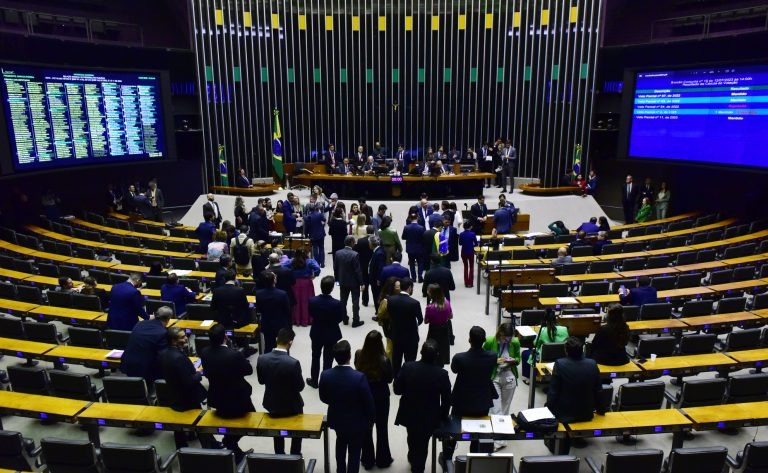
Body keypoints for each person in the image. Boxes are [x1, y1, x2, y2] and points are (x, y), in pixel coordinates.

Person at [441, 326, 498, 466]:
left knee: (453, 430)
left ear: (469, 340)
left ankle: (447, 457)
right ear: (484, 340)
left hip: (461, 402)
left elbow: (454, 370)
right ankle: (474, 460)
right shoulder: (492, 357)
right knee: (478, 433)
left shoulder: (460, 358)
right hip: (482, 402)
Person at [393, 339, 450, 473]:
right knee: (423, 444)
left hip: (409, 413)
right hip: (429, 416)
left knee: (411, 436)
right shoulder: (441, 374)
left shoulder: (407, 367)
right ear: (437, 356)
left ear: (420, 353)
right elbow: (447, 399)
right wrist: (442, 416)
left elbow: (397, 390)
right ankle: (418, 467)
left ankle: (413, 457)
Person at [158, 327, 219, 449]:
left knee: (179, 426)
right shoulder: (178, 358)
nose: (186, 338)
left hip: (174, 395)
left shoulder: (164, 353)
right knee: (201, 421)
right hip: (188, 397)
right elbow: (189, 381)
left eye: (185, 335)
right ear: (173, 341)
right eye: (182, 337)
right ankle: (211, 446)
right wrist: (198, 374)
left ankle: (181, 445)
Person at [319, 340, 376, 473]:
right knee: (354, 453)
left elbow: (323, 397)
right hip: (356, 421)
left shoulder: (326, 375)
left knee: (340, 445)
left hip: (337, 419)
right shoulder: (359, 377)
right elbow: (368, 402)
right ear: (350, 356)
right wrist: (370, 420)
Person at [201, 324, 254, 462]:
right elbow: (249, 370)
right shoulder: (234, 354)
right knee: (250, 421)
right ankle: (230, 442)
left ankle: (233, 447)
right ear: (225, 337)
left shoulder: (205, 352)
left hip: (217, 396)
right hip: (238, 398)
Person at [546, 336, 605, 453]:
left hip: (564, 414)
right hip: (586, 413)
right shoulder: (592, 364)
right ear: (582, 350)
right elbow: (598, 390)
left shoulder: (559, 364)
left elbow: (553, 391)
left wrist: (548, 410)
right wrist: (601, 410)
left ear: (566, 351)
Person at [256, 328, 305, 456]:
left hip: (272, 403)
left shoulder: (262, 359)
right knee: (298, 430)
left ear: (276, 339)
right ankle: (295, 454)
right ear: (290, 343)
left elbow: (261, 381)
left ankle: (279, 453)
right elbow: (300, 387)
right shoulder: (293, 363)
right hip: (292, 406)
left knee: (277, 431)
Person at [355, 331, 394, 469]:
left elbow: (357, 371)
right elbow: (389, 379)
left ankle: (367, 460)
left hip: (365, 395)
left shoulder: (359, 355)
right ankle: (383, 459)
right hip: (382, 396)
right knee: (382, 428)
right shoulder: (384, 360)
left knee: (366, 428)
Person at [483, 323, 521, 451]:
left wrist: (513, 360)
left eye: (510, 338)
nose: (508, 340)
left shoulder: (515, 342)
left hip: (509, 376)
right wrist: (495, 360)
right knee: (495, 409)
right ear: (500, 334)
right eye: (505, 338)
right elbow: (483, 357)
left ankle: (500, 438)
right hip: (495, 376)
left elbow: (518, 359)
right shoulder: (489, 341)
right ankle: (498, 441)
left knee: (505, 409)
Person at [307, 276, 345, 389]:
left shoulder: (312, 300)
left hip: (317, 332)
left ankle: (314, 381)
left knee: (315, 357)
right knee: (328, 360)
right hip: (331, 333)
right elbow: (339, 319)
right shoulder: (337, 304)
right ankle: (325, 382)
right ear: (332, 288)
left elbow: (311, 314)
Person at [120, 306, 172, 382]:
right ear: (168, 319)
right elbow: (163, 356)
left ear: (155, 314)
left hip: (127, 363)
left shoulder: (140, 324)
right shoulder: (162, 333)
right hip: (144, 370)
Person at [387, 278, 423, 377]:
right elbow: (420, 320)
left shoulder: (390, 300)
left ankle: (396, 380)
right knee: (410, 361)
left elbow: (390, 314)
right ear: (410, 288)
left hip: (396, 335)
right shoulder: (414, 303)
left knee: (396, 360)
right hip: (411, 337)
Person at [523, 309, 569, 382]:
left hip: (545, 358)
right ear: (555, 318)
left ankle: (530, 378)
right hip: (561, 357)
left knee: (525, 353)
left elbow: (535, 344)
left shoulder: (543, 330)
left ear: (545, 320)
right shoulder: (564, 329)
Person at [283, 248, 321, 327]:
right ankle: (307, 319)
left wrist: (289, 275)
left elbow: (283, 266)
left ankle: (295, 319)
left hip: (294, 284)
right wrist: (314, 275)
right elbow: (317, 268)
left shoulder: (291, 261)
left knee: (295, 301)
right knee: (306, 301)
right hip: (306, 283)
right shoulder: (309, 261)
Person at [255, 271, 292, 350]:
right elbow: (287, 310)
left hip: (266, 322)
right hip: (281, 323)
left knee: (268, 345)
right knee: (283, 346)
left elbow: (259, 308)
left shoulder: (258, 294)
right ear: (274, 280)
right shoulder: (282, 294)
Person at [424, 284, 452, 366]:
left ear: (433, 294)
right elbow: (451, 316)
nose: (427, 292)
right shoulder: (447, 303)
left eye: (428, 291)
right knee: (443, 347)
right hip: (444, 329)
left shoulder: (430, 307)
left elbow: (426, 321)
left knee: (432, 347)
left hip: (433, 330)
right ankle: (441, 363)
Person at [375, 277, 399, 357]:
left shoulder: (394, 296)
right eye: (397, 286)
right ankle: (389, 364)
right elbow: (380, 313)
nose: (399, 287)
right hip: (389, 325)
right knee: (390, 347)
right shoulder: (386, 300)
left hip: (392, 324)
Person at [401, 213, 426, 283]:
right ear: (417, 218)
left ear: (410, 219)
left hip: (410, 248)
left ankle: (414, 278)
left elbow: (403, 237)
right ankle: (420, 276)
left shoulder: (406, 227)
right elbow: (423, 238)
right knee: (420, 262)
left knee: (411, 263)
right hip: (419, 248)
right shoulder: (421, 228)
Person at [354, 226, 374, 307]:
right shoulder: (378, 240)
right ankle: (376, 300)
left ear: (366, 231)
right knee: (375, 284)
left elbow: (356, 252)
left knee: (364, 283)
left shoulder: (361, 241)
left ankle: (365, 301)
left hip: (363, 264)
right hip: (373, 265)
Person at [305, 203, 327, 268]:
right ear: (315, 208)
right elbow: (324, 220)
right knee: (321, 248)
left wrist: (306, 234)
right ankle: (322, 263)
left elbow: (307, 227)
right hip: (321, 234)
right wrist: (322, 225)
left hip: (313, 235)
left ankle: (317, 263)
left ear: (309, 209)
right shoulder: (319, 214)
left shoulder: (309, 216)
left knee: (315, 249)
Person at [369, 236, 387, 312]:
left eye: (369, 243)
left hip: (376, 281)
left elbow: (380, 268)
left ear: (372, 244)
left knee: (377, 296)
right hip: (375, 279)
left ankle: (379, 313)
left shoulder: (379, 253)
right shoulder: (377, 251)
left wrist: (379, 279)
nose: (368, 245)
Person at [459, 221, 478, 288]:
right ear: (470, 227)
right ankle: (470, 283)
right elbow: (476, 244)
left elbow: (460, 243)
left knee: (466, 267)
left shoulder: (461, 234)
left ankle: (466, 283)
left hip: (463, 252)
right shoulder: (473, 234)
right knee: (471, 267)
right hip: (470, 252)